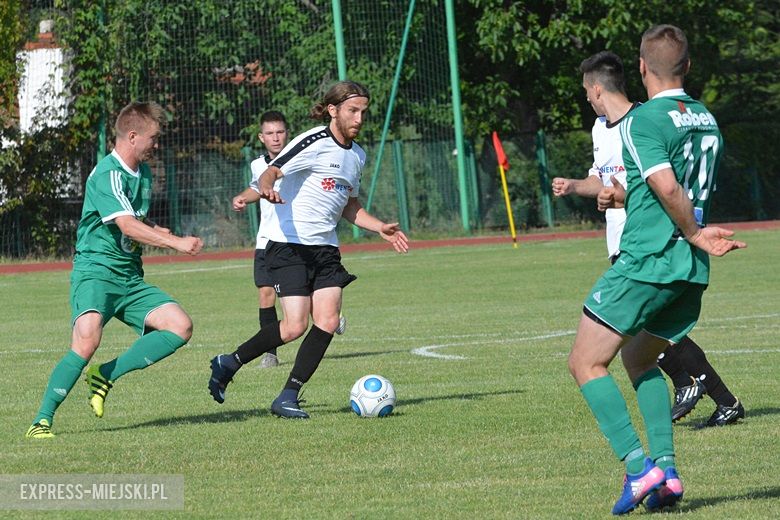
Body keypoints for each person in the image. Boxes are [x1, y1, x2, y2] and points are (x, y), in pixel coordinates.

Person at [566, 25, 746, 514]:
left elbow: (667, 188)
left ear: (642, 67)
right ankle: (667, 472)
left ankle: (637, 467)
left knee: (585, 363)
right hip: (689, 270)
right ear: (687, 67)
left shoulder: (644, 120)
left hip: (649, 258)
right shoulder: (706, 118)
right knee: (640, 359)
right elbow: (663, 187)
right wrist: (688, 232)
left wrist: (691, 230)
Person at [209, 81, 409, 418]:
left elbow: (350, 206)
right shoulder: (313, 140)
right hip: (289, 245)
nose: (359, 118)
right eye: (352, 111)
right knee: (294, 326)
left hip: (326, 248)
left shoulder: (358, 155)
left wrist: (379, 227)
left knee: (328, 320)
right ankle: (229, 362)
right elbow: (272, 170)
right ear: (333, 110)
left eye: (363, 112)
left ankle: (287, 396)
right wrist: (267, 188)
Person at [26, 101, 203, 439]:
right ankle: (41, 421)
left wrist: (156, 228)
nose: (156, 145)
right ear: (133, 136)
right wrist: (176, 243)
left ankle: (105, 374)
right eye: (153, 138)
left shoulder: (143, 173)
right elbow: (126, 225)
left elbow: (135, 216)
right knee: (87, 339)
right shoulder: (108, 174)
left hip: (129, 277)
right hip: (96, 272)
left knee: (180, 326)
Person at [232, 111, 349, 370]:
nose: (275, 138)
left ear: (288, 134)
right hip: (268, 240)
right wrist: (242, 198)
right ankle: (270, 354)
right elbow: (256, 188)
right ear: (261, 137)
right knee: (265, 294)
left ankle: (328, 312)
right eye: (270, 133)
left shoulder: (300, 158)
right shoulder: (258, 165)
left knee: (302, 298)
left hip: (297, 241)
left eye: (280, 132)